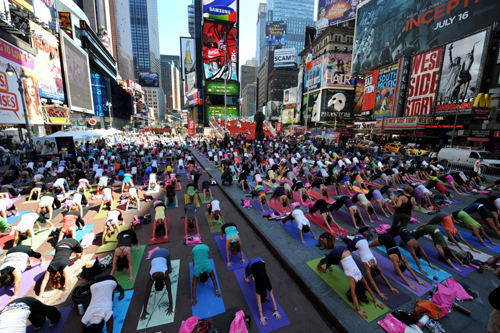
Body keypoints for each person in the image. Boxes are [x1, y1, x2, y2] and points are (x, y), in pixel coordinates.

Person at [316, 247, 385, 318]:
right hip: (339, 252)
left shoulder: (361, 277)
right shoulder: (352, 281)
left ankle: (329, 263)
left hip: (346, 251)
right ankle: (319, 266)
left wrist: (375, 300)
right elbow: (354, 295)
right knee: (327, 260)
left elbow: (368, 288)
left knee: (334, 260)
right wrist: (358, 309)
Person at [245, 257, 283, 324]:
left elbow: (271, 297)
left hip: (261, 261)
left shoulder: (267, 285)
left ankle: (252, 275)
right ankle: (245, 276)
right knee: (248, 270)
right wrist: (262, 316)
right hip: (255, 262)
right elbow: (261, 302)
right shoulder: (259, 289)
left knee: (256, 271)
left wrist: (262, 316)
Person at [140, 249, 173, 320]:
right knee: (163, 267)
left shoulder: (164, 275)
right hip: (153, 255)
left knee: (169, 270)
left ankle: (169, 267)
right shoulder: (152, 277)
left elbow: (147, 295)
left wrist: (144, 311)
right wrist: (170, 306)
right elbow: (169, 292)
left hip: (162, 253)